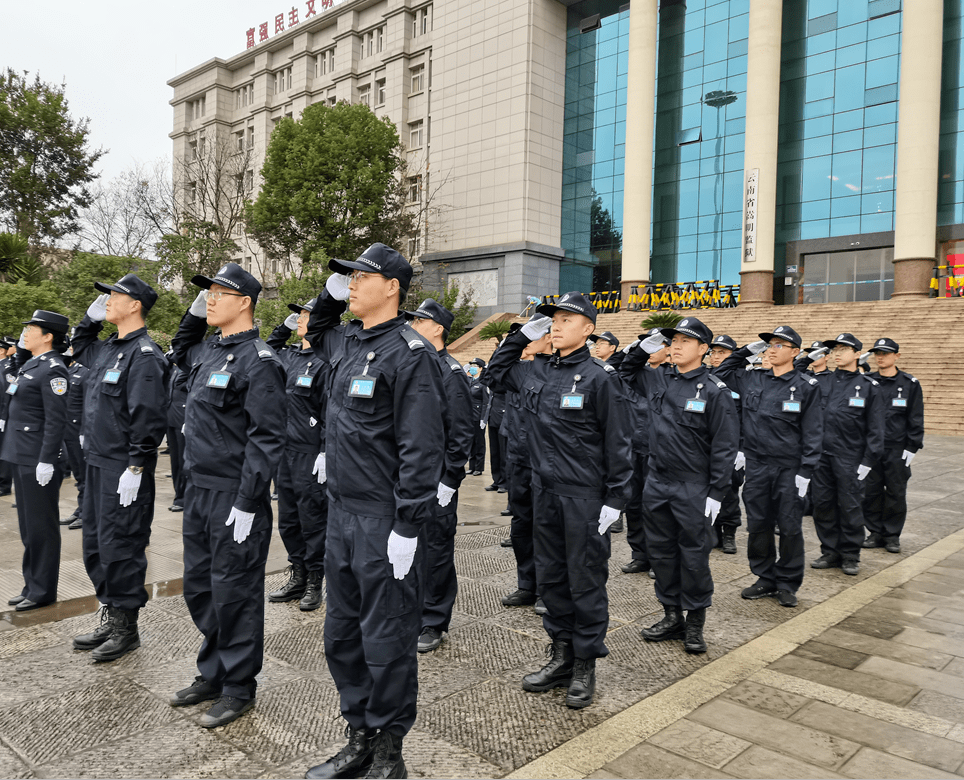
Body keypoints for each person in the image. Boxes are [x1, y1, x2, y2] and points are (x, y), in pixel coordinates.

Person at [303, 244, 445, 779]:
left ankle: (389, 749)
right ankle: (358, 733)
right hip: (342, 513)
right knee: (341, 634)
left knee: (385, 637)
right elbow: (316, 333)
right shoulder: (349, 342)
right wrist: (328, 294)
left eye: (362, 276)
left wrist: (408, 524)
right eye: (349, 278)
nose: (352, 285)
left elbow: (420, 447)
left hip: (385, 518)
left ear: (393, 286)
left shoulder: (411, 354)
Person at [488, 292, 634, 710]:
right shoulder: (536, 371)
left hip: (584, 497)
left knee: (584, 580)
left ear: (588, 330)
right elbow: (496, 375)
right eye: (553, 319)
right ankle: (561, 654)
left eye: (568, 319)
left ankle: (584, 663)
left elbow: (618, 442)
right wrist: (521, 336)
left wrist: (615, 499)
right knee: (551, 577)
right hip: (543, 493)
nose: (557, 324)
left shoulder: (599, 377)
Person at [170, 263, 286, 728]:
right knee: (201, 587)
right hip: (198, 491)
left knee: (235, 591)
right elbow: (178, 350)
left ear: (246, 302)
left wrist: (248, 499)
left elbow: (266, 438)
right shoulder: (208, 354)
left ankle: (238, 685)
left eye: (220, 292)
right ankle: (212, 671)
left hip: (235, 497)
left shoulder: (261, 362)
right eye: (207, 293)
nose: (211, 298)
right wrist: (195, 314)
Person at [617, 317, 738, 654]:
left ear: (704, 349)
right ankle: (672, 616)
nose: (677, 345)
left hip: (693, 486)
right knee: (662, 553)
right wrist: (647, 343)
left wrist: (717, 491)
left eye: (687, 340)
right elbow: (624, 369)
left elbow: (725, 446)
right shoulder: (658, 379)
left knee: (694, 556)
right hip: (657, 482)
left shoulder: (715, 391)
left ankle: (695, 622)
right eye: (673, 340)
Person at [70, 275, 170, 661]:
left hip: (122, 467)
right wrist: (89, 320)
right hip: (97, 462)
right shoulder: (109, 349)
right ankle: (110, 614)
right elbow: (79, 347)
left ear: (135, 305)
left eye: (115, 296)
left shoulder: (144, 355)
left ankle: (126, 627)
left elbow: (147, 416)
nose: (107, 301)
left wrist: (136, 466)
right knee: (95, 543)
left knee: (122, 546)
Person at [716, 326, 824, 607]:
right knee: (759, 524)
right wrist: (745, 350)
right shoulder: (753, 378)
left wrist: (807, 471)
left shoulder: (805, 386)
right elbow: (722, 372)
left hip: (789, 468)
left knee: (789, 527)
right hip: (758, 467)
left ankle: (787, 582)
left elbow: (813, 431)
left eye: (779, 345)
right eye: (770, 344)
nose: (771, 349)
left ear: (795, 352)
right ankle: (764, 577)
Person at [407, 298, 474, 653]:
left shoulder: (451, 372)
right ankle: (412, 610)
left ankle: (433, 619)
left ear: (438, 329)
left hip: (437, 479)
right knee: (411, 546)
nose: (413, 325)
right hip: (412, 477)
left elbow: (462, 431)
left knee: (435, 549)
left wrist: (450, 479)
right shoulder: (415, 365)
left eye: (421, 320)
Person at [2, 311, 70, 611]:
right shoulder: (33, 363)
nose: (25, 333)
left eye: (32, 328)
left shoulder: (54, 369)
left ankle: (43, 590)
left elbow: (56, 421)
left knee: (41, 526)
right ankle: (31, 584)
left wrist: (47, 459)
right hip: (20, 452)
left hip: (37, 457)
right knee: (28, 526)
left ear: (48, 336)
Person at [265, 299, 329, 611]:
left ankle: (316, 578)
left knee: (312, 518)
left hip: (309, 453)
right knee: (289, 520)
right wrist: (282, 328)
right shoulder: (289, 356)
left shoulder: (323, 361)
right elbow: (266, 350)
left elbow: (330, 410)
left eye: (306, 314)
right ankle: (298, 573)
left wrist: (325, 450)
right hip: (285, 451)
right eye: (299, 314)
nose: (300, 318)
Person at [808, 333, 885, 576]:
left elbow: (876, 428)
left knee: (850, 506)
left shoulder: (869, 387)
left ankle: (851, 554)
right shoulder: (821, 382)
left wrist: (869, 460)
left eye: (843, 349)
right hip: (822, 456)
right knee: (823, 505)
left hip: (850, 457)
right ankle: (829, 551)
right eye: (834, 350)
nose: (837, 353)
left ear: (857, 354)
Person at [495, 327, 553, 611]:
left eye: (535, 336)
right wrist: (519, 336)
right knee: (521, 526)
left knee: (546, 528)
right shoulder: (522, 371)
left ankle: (547, 589)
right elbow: (494, 369)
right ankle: (527, 585)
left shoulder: (558, 371)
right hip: (519, 457)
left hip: (548, 463)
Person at [862, 338, 924, 554]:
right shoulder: (867, 381)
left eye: (885, 353)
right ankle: (875, 531)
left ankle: (891, 535)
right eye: (877, 353)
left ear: (896, 356)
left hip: (897, 447)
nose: (880, 357)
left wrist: (912, 446)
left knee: (896, 492)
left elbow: (915, 417)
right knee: (871, 491)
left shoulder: (909, 384)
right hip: (871, 448)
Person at [609, 329, 661, 577]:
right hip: (633, 449)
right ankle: (639, 555)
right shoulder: (638, 376)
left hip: (658, 453)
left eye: (656, 345)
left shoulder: (668, 377)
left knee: (656, 508)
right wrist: (635, 347)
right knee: (635, 505)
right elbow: (620, 366)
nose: (651, 350)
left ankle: (658, 557)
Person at [705, 334, 743, 555]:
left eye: (723, 352)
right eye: (714, 352)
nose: (716, 356)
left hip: (733, 445)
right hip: (707, 444)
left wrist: (743, 448)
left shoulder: (741, 379)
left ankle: (729, 533)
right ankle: (712, 532)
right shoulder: (704, 377)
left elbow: (748, 414)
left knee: (729, 491)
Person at [60, 352, 89, 530]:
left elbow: (88, 404)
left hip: (78, 430)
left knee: (84, 474)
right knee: (78, 474)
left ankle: (87, 513)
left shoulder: (84, 372)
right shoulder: (65, 371)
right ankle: (80, 510)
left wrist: (84, 431)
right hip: (67, 431)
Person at [166, 354, 188, 512]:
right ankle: (178, 493)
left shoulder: (190, 366)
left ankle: (183, 497)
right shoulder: (176, 368)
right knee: (175, 461)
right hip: (171, 418)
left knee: (183, 461)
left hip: (183, 419)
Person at [0, 337, 19, 497]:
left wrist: (3, 416)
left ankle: (4, 484)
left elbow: (9, 392)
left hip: (3, 414)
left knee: (3, 449)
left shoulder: (7, 367)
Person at [466, 358, 490, 476]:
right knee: (471, 442)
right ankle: (472, 466)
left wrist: (483, 418)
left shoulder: (483, 383)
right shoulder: (470, 381)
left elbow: (486, 402)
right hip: (469, 416)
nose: (472, 368)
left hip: (478, 415)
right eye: (471, 365)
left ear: (481, 368)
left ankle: (479, 467)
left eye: (475, 366)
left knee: (479, 442)